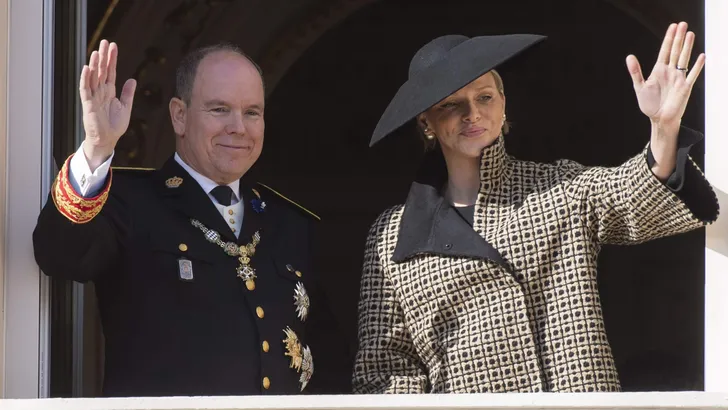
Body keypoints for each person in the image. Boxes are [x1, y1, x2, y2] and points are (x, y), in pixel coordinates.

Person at [352, 22, 719, 393]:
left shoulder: (558, 187)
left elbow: (633, 195)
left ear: (503, 102)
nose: (472, 114)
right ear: (426, 122)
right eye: (451, 104)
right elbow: (387, 371)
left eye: (484, 97)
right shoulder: (391, 236)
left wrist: (663, 128)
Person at [33, 40, 350, 396]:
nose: (238, 127)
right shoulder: (131, 203)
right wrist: (96, 149)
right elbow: (59, 255)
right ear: (179, 116)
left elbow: (330, 363)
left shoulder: (291, 225)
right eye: (219, 109)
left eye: (252, 113)